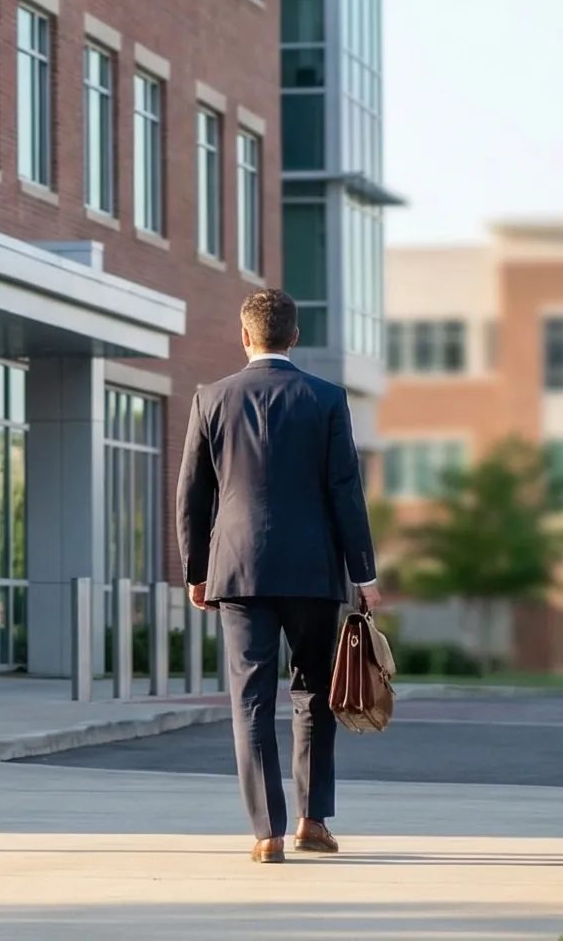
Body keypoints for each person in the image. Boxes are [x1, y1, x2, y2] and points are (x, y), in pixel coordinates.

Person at [176, 289, 383, 864]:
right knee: (315, 695)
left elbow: (192, 494)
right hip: (315, 571)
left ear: (245, 337)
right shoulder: (326, 399)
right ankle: (312, 822)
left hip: (238, 570)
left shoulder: (211, 398)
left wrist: (196, 571)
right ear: (295, 337)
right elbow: (346, 490)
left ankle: (266, 833)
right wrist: (364, 572)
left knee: (250, 699)